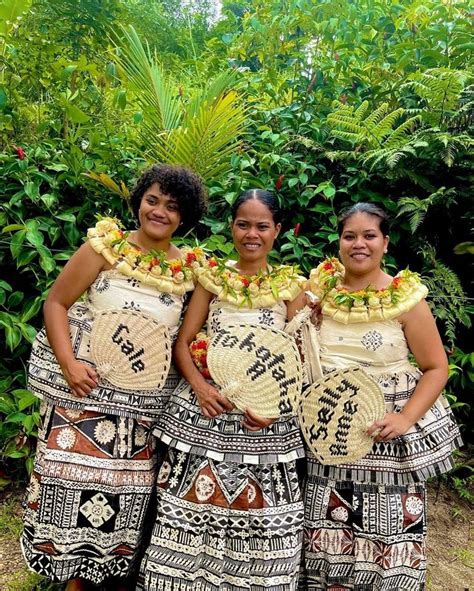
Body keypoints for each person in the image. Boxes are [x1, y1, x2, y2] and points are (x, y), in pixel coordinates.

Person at [21, 164, 207, 591]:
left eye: (172, 206)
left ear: (185, 217)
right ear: (139, 200)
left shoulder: (192, 273)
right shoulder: (104, 249)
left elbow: (204, 330)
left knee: (124, 506)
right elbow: (56, 304)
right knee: (69, 491)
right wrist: (69, 363)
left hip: (140, 413)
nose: (159, 211)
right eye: (153, 200)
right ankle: (71, 582)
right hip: (83, 400)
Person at [138, 189, 308, 590]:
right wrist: (198, 386)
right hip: (206, 412)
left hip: (265, 424)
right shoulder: (212, 279)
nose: (252, 234)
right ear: (231, 227)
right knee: (188, 510)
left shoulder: (291, 287)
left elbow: (299, 359)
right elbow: (184, 340)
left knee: (259, 518)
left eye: (262, 226)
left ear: (277, 230)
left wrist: (275, 408)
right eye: (243, 224)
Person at [300, 202, 462, 591]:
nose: (359, 243)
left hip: (385, 438)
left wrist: (405, 418)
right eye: (350, 235)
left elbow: (436, 367)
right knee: (326, 528)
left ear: (385, 243)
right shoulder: (318, 294)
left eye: (369, 235)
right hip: (329, 431)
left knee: (385, 534)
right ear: (338, 242)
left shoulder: (405, 300)